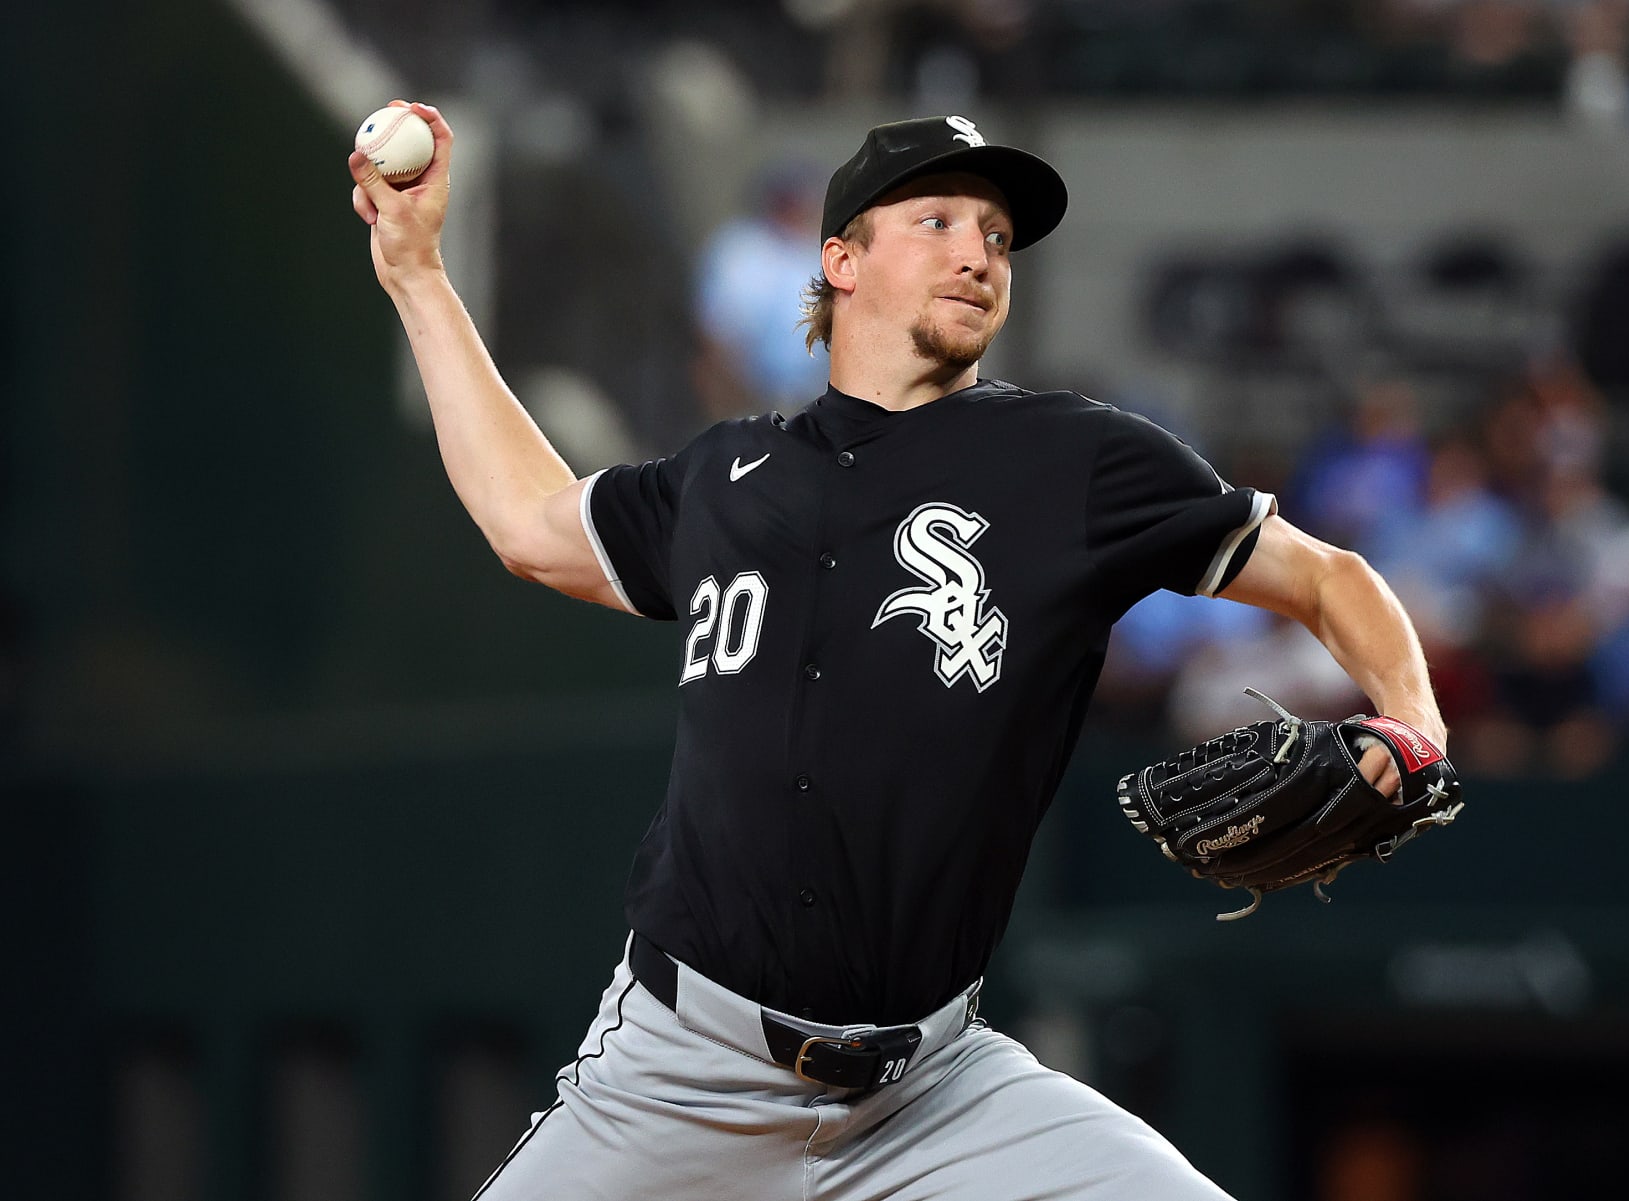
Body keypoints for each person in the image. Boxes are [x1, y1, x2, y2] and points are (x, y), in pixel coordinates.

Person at [348, 103, 1447, 1201]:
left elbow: (1322, 574)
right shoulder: (726, 475)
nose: (979, 252)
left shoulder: (1074, 461)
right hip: (679, 1081)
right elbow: (528, 523)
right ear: (841, 259)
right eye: (938, 220)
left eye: (998, 235)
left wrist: (1412, 718)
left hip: (936, 1095)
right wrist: (415, 275)